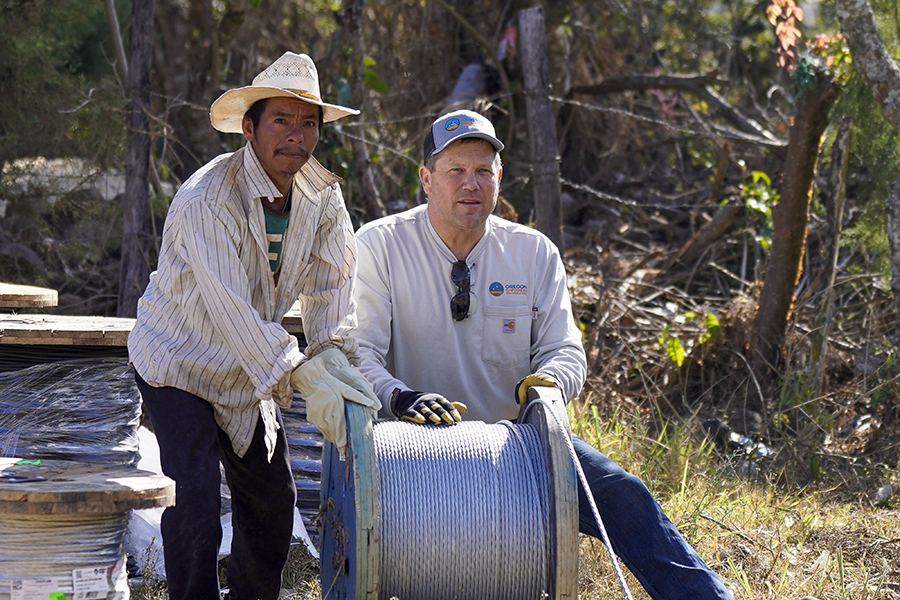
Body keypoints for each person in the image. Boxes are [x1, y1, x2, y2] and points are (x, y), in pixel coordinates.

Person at [351, 109, 735, 600]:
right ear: (426, 178)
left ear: (499, 178)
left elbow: (566, 351)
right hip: (410, 453)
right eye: (455, 171)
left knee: (624, 495)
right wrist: (399, 398)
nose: (470, 184)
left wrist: (547, 387)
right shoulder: (380, 246)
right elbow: (358, 352)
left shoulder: (533, 252)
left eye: (483, 171)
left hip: (522, 452)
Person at [127, 52, 379, 600]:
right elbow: (233, 312)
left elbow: (334, 287)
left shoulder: (324, 196)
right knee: (192, 497)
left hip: (248, 371)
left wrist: (332, 354)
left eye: (308, 123)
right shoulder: (207, 199)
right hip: (180, 359)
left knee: (272, 502)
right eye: (281, 121)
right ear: (249, 128)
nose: (296, 137)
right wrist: (302, 374)